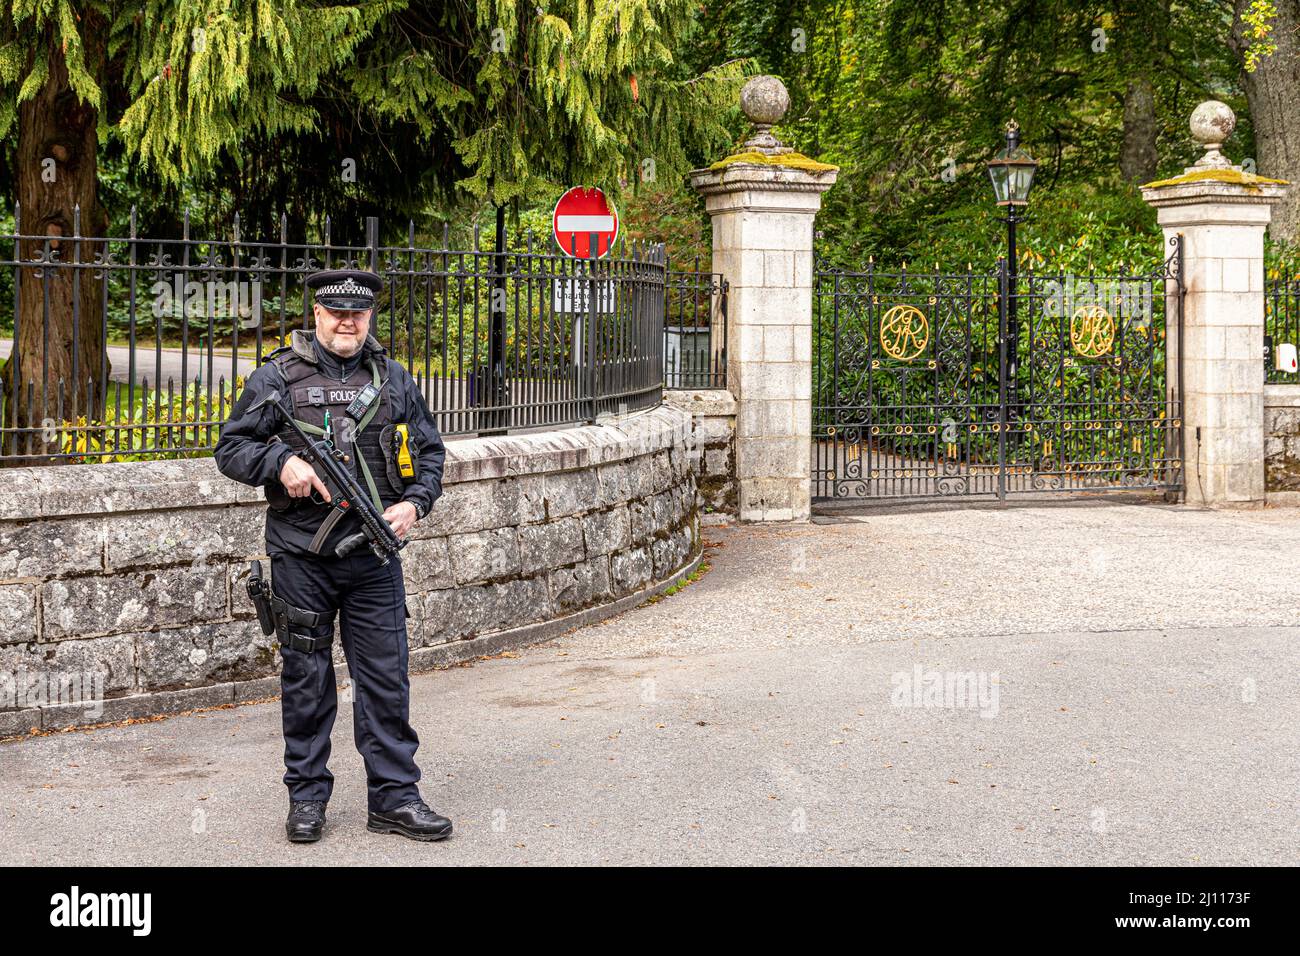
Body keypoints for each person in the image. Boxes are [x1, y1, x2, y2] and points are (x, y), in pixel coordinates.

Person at [214, 267, 452, 844]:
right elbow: (231, 447)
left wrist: (414, 505)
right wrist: (281, 464)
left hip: (374, 557)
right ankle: (307, 799)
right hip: (302, 556)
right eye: (336, 312)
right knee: (305, 678)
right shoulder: (276, 378)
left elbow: (430, 454)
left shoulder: (393, 379)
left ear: (369, 318)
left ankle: (395, 798)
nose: (348, 322)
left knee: (386, 679)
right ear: (316, 315)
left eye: (358, 313)